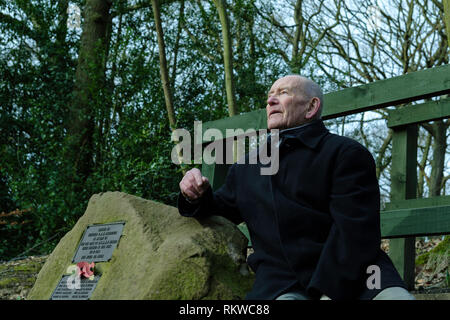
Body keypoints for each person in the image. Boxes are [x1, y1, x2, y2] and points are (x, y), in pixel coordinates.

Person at [177, 75, 415, 300]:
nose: (270, 100)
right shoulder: (247, 167)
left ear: (311, 107)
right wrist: (194, 193)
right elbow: (218, 211)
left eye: (283, 93)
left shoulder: (346, 153)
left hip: (359, 274)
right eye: (270, 95)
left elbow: (355, 232)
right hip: (281, 282)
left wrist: (329, 292)